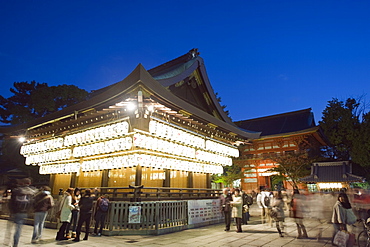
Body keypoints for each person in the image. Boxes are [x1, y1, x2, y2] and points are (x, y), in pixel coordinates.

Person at [9, 178, 35, 247]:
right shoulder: (31, 192)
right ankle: (15, 243)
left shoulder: (16, 191)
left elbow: (11, 202)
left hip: (16, 211)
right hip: (24, 212)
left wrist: (11, 211)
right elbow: (32, 202)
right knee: (18, 228)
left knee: (11, 227)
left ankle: (11, 241)